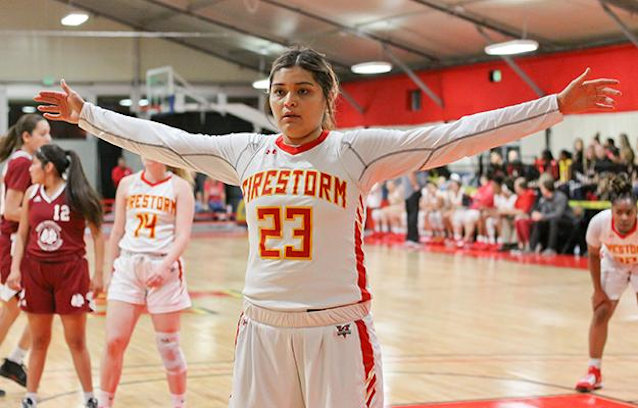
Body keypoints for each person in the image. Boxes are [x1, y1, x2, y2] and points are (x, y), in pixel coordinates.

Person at [34, 46, 620, 407]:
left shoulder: (356, 152)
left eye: (302, 91)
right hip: (261, 328)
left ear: (328, 97)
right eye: (279, 92)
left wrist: (553, 108)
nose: (288, 102)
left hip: (338, 333)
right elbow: (162, 138)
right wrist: (87, 115)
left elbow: (453, 134)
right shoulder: (245, 152)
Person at [6, 144, 104, 407]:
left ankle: (89, 397)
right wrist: (15, 269)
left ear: (48, 167)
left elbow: (97, 233)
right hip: (36, 270)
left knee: (76, 340)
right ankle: (31, 396)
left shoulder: (77, 194)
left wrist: (99, 273)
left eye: (34, 164)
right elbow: (24, 235)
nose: (30, 168)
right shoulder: (31, 194)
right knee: (39, 339)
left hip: (70, 271)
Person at [98, 158, 194, 408]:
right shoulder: (128, 184)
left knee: (168, 347)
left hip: (164, 267)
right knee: (113, 342)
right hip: (128, 266)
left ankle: (178, 403)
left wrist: (164, 267)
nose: (147, 153)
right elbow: (117, 231)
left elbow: (183, 236)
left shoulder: (179, 187)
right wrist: (109, 272)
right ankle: (104, 402)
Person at [0, 113, 52, 393]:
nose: (48, 139)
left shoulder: (27, 162)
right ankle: (14, 360)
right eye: (43, 133)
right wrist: (46, 215)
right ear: (27, 137)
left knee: (42, 304)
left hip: (25, 243)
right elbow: (10, 210)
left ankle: (14, 361)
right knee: (14, 309)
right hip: (12, 243)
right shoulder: (21, 163)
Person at [575, 173, 637, 392]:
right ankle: (594, 372)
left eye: (629, 212)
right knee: (601, 312)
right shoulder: (599, 223)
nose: (623, 217)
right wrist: (597, 291)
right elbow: (592, 255)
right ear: (611, 210)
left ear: (636, 211)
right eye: (618, 212)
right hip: (614, 261)